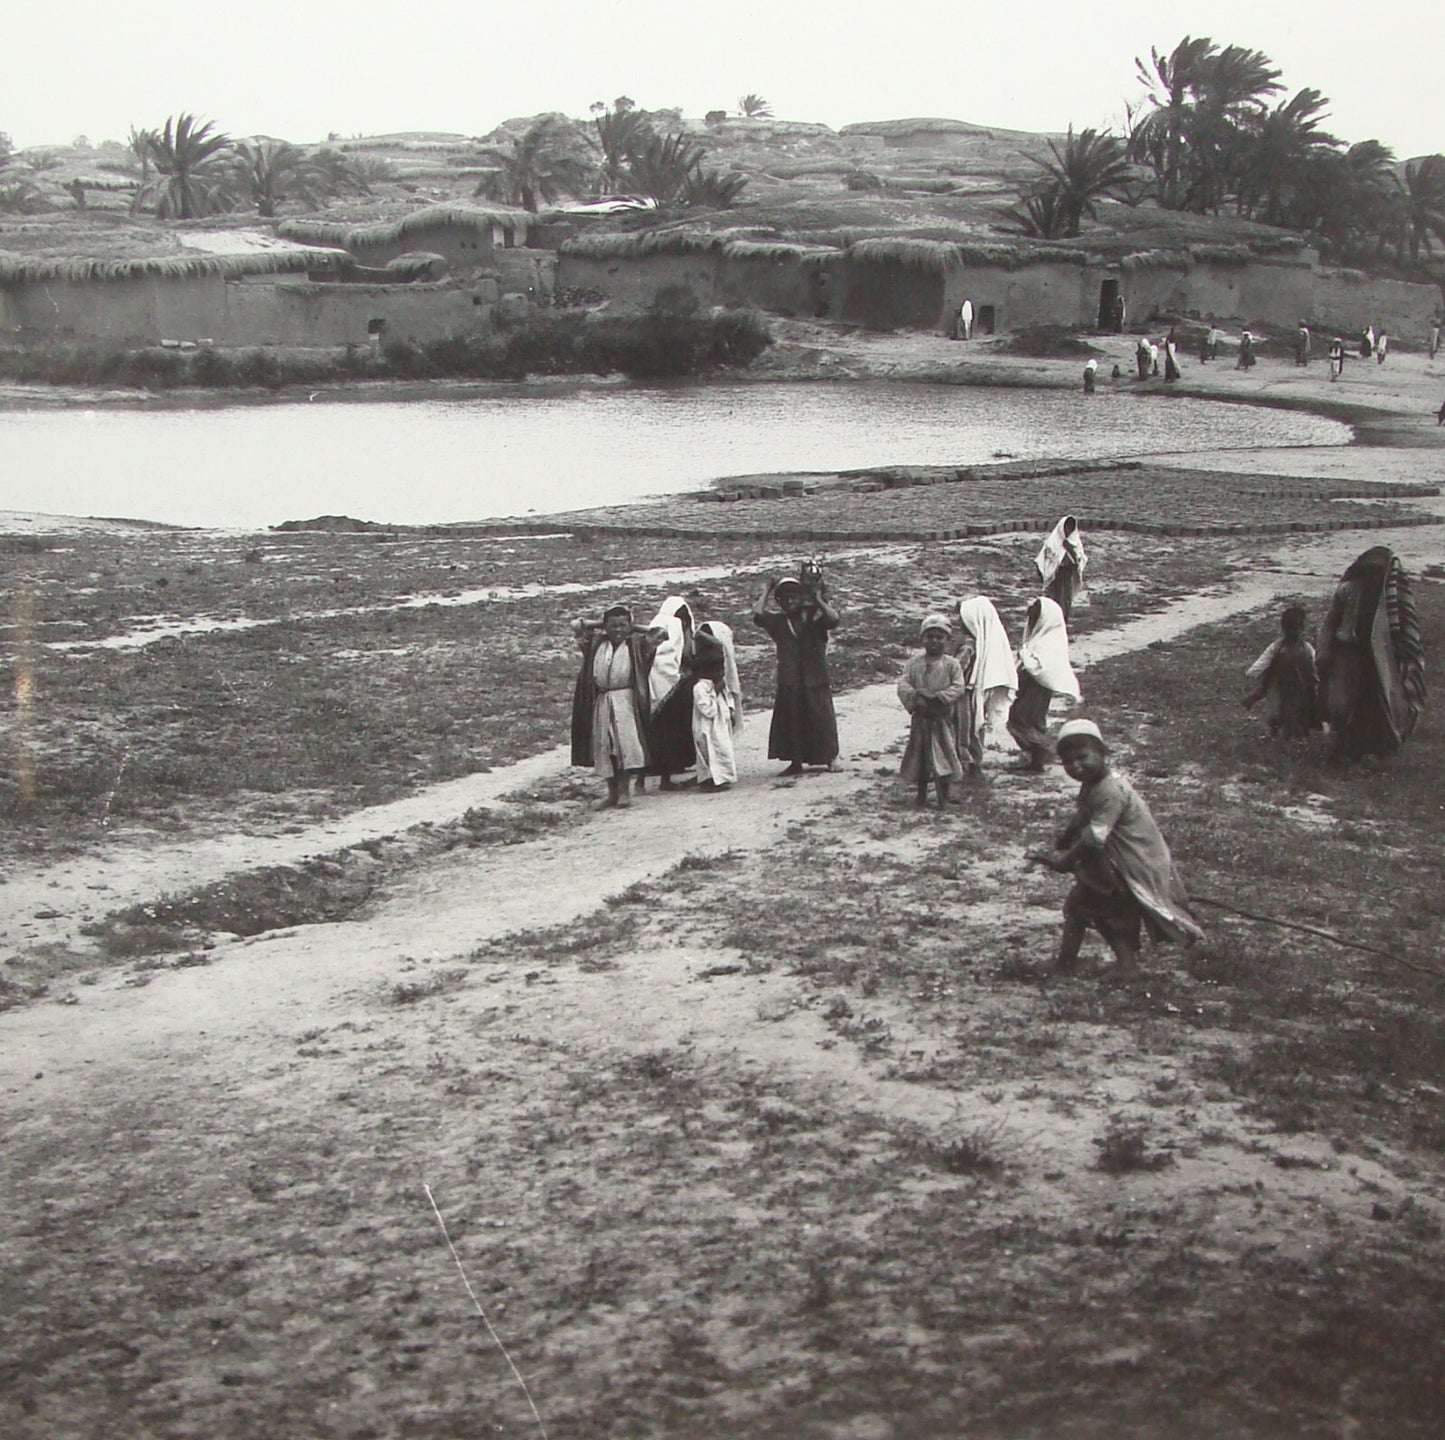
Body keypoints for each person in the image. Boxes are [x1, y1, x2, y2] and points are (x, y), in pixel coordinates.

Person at [1028, 719, 1204, 980]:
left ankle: (1126, 966)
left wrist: (1064, 862)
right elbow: (1084, 814)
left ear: (1103, 752)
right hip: (1110, 862)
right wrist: (1065, 837)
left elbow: (1094, 838)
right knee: (1079, 907)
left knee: (1111, 913)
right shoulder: (1093, 784)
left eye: (1082, 757)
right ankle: (1066, 963)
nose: (1075, 766)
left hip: (1130, 864)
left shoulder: (1110, 790)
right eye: (1067, 762)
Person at [1316, 547, 1426, 759]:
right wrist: (1324, 652)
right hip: (1348, 652)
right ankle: (1344, 746)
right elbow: (1330, 623)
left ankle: (1373, 746)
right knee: (1343, 703)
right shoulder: (1348, 590)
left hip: (1374, 655)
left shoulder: (1386, 596)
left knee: (1374, 701)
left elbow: (1399, 626)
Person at [754, 567, 840, 777]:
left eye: (794, 597)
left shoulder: (813, 620)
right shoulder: (778, 622)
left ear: (801, 598)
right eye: (785, 599)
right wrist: (766, 590)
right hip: (790, 679)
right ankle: (795, 762)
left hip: (815, 677)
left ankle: (830, 758)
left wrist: (818, 599)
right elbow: (758, 614)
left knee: (821, 719)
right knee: (792, 722)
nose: (790, 601)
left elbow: (833, 618)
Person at [571, 604, 654, 809]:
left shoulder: (636, 645)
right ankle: (611, 793)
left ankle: (624, 791)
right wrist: (601, 624)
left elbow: (660, 632)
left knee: (624, 745)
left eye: (622, 625)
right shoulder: (596, 644)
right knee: (605, 746)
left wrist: (633, 627)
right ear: (605, 627)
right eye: (613, 626)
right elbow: (576, 625)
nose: (618, 630)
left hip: (625, 700)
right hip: (602, 699)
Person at [898, 615, 968, 806]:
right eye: (929, 637)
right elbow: (903, 684)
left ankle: (943, 795)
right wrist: (916, 695)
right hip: (921, 718)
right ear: (922, 639)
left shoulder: (951, 664)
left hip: (942, 718)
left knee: (944, 755)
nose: (934, 641)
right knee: (921, 757)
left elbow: (958, 686)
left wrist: (939, 697)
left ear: (948, 640)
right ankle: (921, 795)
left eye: (939, 637)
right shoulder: (914, 663)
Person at [1007, 597, 1082, 771]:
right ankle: (1036, 759)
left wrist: (1024, 655)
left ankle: (1042, 750)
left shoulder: (1049, 642)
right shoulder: (1040, 637)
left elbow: (1040, 668)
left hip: (1036, 689)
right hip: (1030, 686)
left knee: (1021, 720)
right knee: (1029, 721)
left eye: (1035, 618)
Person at [954, 596, 1018, 771]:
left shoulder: (968, 646)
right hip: (974, 694)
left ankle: (966, 763)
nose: (959, 623)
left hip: (964, 695)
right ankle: (974, 760)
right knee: (974, 728)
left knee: (962, 728)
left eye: (962, 619)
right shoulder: (987, 643)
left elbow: (958, 669)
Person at [643, 595, 698, 791]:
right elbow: (681, 655)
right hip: (670, 686)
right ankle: (667, 774)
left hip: (657, 687)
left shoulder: (658, 626)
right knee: (669, 730)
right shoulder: (673, 627)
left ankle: (664, 767)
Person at [1243, 605, 1319, 742]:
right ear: (1283, 629)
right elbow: (1260, 664)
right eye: (1289, 629)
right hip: (1279, 684)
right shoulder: (1277, 647)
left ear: (1302, 628)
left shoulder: (1306, 648)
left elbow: (1315, 665)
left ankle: (1300, 735)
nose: (1293, 632)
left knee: (1303, 711)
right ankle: (1275, 732)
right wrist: (1255, 674)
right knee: (1276, 712)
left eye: (1296, 629)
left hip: (1301, 686)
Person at [691, 622, 742, 792]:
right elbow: (708, 710)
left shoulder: (718, 683)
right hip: (707, 727)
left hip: (719, 725)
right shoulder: (701, 687)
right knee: (709, 752)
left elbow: (728, 699)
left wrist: (731, 710)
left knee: (722, 749)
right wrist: (715, 692)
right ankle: (708, 781)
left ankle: (723, 778)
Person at [1035, 514, 1088, 621]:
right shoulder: (1053, 541)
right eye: (1066, 527)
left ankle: (1064, 617)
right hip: (1056, 573)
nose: (1068, 531)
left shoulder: (1075, 541)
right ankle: (1053, 617)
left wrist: (1070, 548)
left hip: (1068, 571)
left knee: (1067, 595)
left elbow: (1079, 559)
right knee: (1055, 595)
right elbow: (1043, 558)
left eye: (1070, 528)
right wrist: (1044, 572)